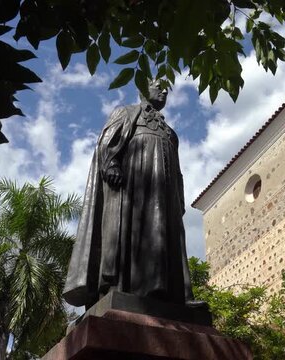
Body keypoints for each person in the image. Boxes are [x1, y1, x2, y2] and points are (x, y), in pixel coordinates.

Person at [63, 81, 199, 309]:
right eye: (159, 86)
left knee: (166, 235)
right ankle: (131, 288)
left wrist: (179, 199)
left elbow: (177, 172)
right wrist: (111, 165)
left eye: (167, 89)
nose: (165, 91)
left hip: (165, 196)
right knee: (136, 234)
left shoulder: (170, 133)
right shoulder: (126, 113)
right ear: (143, 89)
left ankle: (174, 293)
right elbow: (106, 145)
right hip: (133, 191)